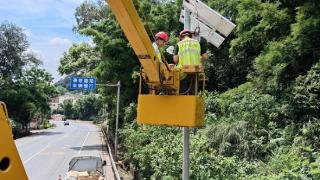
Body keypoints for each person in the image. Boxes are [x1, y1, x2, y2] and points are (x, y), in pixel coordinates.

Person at [173, 29, 208, 94]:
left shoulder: (179, 44)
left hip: (183, 72)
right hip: (195, 70)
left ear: (181, 37)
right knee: (193, 92)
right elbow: (205, 57)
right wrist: (199, 60)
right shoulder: (197, 43)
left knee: (183, 92)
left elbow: (175, 60)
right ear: (191, 36)